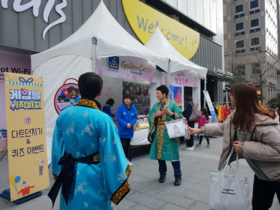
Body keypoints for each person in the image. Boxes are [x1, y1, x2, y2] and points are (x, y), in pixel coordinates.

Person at [188, 84, 280, 210]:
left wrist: (244, 148)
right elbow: (223, 127)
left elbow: (278, 150)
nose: (230, 98)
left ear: (240, 99)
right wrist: (200, 130)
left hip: (277, 174)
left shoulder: (263, 123)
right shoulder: (237, 115)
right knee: (259, 206)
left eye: (232, 95)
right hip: (262, 174)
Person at [48, 73, 131, 210]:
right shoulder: (103, 119)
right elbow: (112, 153)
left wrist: (58, 171)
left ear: (79, 91)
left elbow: (57, 148)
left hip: (68, 172)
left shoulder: (63, 115)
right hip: (93, 175)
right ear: (100, 91)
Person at [148, 85, 183, 186]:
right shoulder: (156, 106)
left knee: (174, 156)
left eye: (158, 93)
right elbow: (150, 116)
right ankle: (162, 174)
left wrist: (171, 114)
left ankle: (178, 176)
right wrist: (156, 115)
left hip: (170, 135)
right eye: (157, 93)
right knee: (160, 156)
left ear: (164, 94)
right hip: (159, 134)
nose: (157, 95)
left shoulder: (173, 104)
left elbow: (180, 116)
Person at [117, 94, 138, 167]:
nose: (126, 100)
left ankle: (127, 160)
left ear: (131, 100)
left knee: (128, 146)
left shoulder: (133, 108)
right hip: (122, 131)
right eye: (125, 98)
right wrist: (126, 125)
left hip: (129, 131)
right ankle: (121, 161)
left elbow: (135, 117)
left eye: (128, 98)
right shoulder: (120, 108)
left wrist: (131, 124)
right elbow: (119, 118)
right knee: (123, 146)